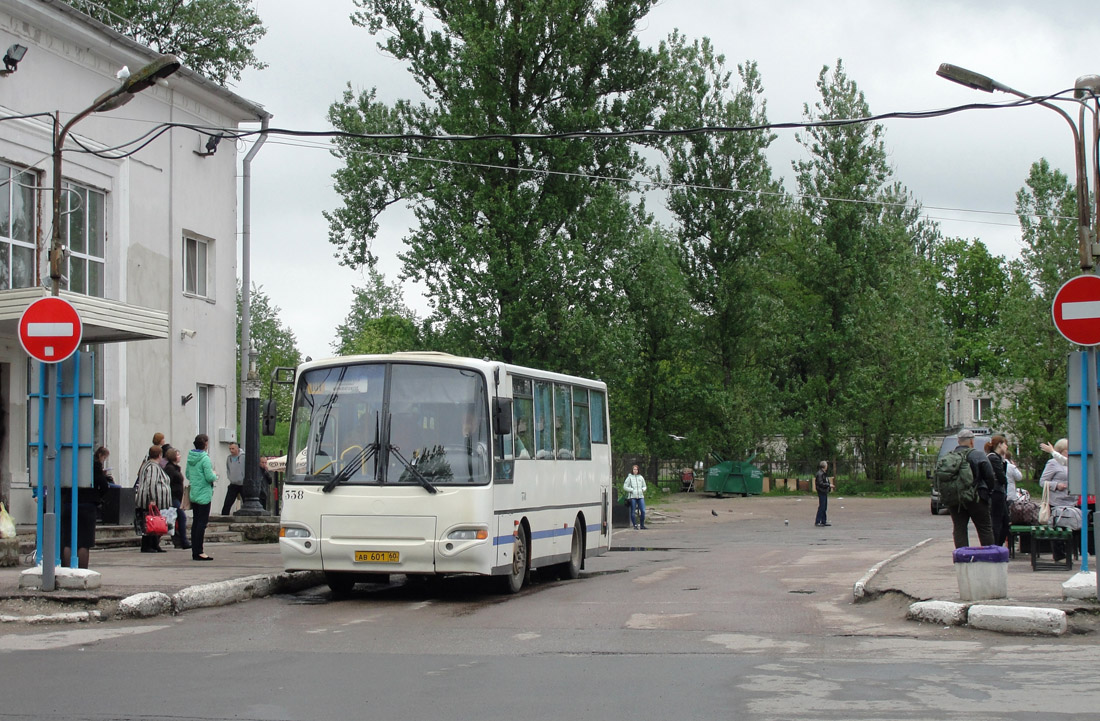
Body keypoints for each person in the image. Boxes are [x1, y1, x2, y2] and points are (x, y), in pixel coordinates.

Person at [60, 446, 111, 568]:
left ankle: (67, 570)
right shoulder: (93, 465)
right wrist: (97, 496)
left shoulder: (66, 463)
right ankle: (82, 571)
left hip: (68, 503)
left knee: (68, 541)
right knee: (84, 542)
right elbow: (104, 486)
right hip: (87, 505)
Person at [947, 429, 995, 548]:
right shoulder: (978, 455)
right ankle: (988, 558)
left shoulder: (949, 457)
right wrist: (988, 492)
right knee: (984, 528)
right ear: (972, 441)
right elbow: (989, 476)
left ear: (958, 441)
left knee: (959, 528)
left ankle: (962, 559)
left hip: (956, 499)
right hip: (977, 497)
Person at [1040, 438, 1079, 561]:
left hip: (1071, 501)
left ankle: (1071, 552)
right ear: (1063, 450)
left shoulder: (1071, 463)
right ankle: (1059, 554)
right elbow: (1043, 482)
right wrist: (1056, 485)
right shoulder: (1052, 463)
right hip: (1057, 501)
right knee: (1058, 528)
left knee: (1073, 526)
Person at [134, 446, 172, 553]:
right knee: (150, 522)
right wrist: (152, 499)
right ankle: (148, 545)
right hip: (151, 500)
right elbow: (151, 483)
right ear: (159, 455)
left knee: (154, 522)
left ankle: (155, 544)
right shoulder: (152, 467)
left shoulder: (150, 465)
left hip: (153, 500)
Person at [187, 434, 217, 561]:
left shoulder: (190, 457)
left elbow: (187, 474)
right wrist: (215, 475)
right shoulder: (205, 459)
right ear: (205, 444)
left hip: (194, 492)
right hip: (204, 493)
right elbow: (209, 477)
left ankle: (195, 550)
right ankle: (199, 551)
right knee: (202, 523)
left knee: (196, 522)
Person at [985, 435, 1010, 547]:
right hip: (996, 493)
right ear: (999, 444)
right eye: (1005, 443)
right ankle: (995, 545)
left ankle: (998, 544)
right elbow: (1002, 478)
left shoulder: (998, 458)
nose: (1007, 446)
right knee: (997, 521)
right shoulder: (993, 458)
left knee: (1005, 521)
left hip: (999, 493)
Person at [164, 447, 190, 549]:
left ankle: (179, 540)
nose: (179, 457)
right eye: (178, 455)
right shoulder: (170, 469)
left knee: (177, 519)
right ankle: (184, 541)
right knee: (181, 517)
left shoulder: (175, 468)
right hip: (172, 497)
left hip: (177, 497)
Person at [221, 442, 245, 515]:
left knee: (246, 501)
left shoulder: (243, 457)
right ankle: (224, 516)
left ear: (237, 449)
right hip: (233, 483)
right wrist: (230, 477)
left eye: (233, 449)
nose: (231, 450)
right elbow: (228, 469)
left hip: (243, 483)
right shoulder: (229, 458)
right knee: (227, 503)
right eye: (230, 449)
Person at [623, 464, 647, 530]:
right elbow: (625, 487)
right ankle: (635, 525)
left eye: (636, 469)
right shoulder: (629, 478)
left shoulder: (641, 477)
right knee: (633, 511)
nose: (635, 471)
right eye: (634, 469)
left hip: (640, 496)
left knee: (643, 510)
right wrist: (631, 490)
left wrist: (643, 489)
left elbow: (644, 486)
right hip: (632, 496)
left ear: (638, 470)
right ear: (632, 470)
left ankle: (642, 525)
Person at [814, 461, 833, 527]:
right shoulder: (820, 474)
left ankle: (823, 521)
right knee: (822, 506)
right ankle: (818, 521)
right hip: (821, 491)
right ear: (824, 466)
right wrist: (828, 485)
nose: (827, 466)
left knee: (824, 507)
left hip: (824, 491)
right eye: (826, 465)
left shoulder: (823, 473)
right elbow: (820, 483)